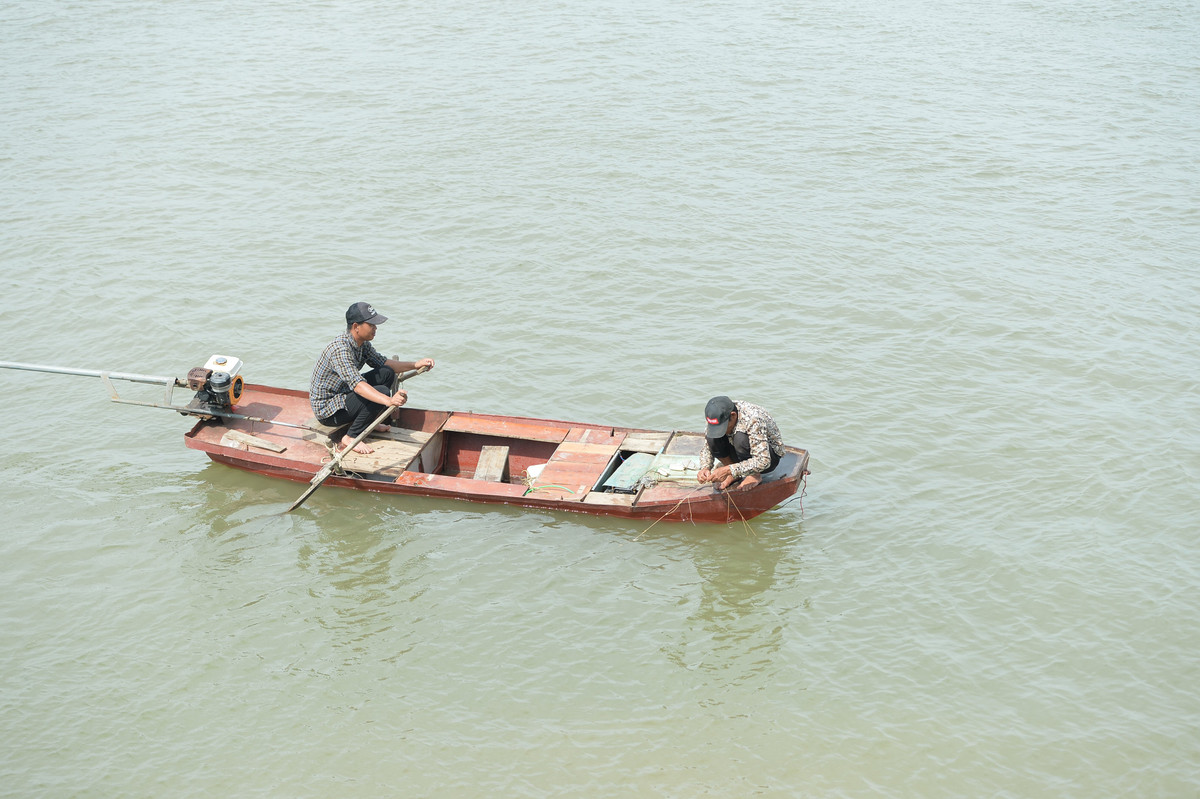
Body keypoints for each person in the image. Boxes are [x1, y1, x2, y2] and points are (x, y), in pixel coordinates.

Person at [310, 302, 435, 454]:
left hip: (344, 393)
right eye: (372, 325)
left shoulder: (362, 344)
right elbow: (358, 386)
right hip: (329, 409)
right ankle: (351, 437)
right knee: (382, 392)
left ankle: (369, 420)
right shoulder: (340, 349)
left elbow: (384, 363)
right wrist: (389, 401)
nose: (376, 328)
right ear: (356, 326)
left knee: (386, 372)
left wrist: (416, 364)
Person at [696, 396, 785, 491]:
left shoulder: (753, 418)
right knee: (712, 438)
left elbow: (763, 461)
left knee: (740, 439)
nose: (721, 431)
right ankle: (734, 474)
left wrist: (728, 470)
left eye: (723, 427)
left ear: (733, 415)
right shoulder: (716, 417)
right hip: (738, 450)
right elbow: (707, 447)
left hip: (768, 456)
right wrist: (705, 467)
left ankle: (754, 475)